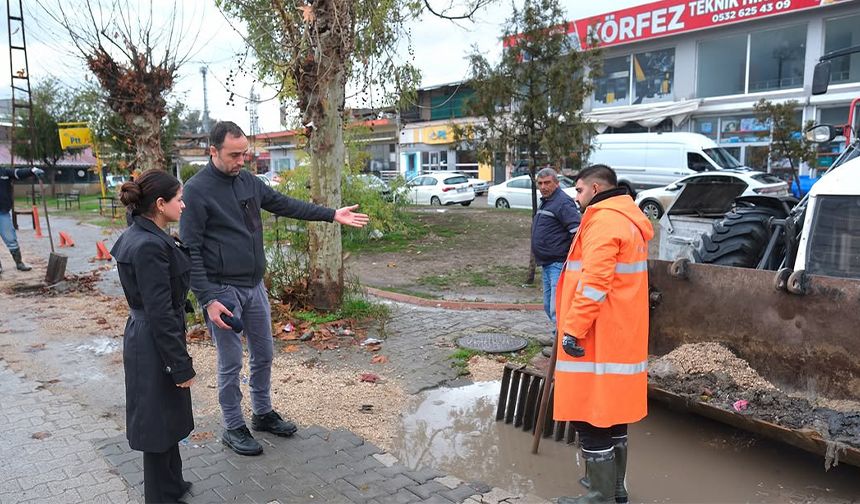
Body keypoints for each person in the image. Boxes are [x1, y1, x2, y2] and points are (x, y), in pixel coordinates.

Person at [180, 121, 369, 456]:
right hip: (222, 292)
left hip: (254, 286)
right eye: (234, 155)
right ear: (213, 151)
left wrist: (330, 214)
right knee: (230, 361)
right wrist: (207, 299)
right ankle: (233, 425)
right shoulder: (197, 190)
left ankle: (263, 414)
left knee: (264, 354)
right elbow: (190, 249)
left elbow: (285, 204)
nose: (241, 161)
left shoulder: (249, 182)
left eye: (244, 154)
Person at [553, 164, 653, 504]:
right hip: (619, 334)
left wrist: (573, 330)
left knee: (590, 413)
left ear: (595, 188)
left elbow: (593, 284)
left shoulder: (604, 221)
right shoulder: (627, 219)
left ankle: (599, 495)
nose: (576, 197)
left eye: (579, 190)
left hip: (596, 336)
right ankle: (615, 487)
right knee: (613, 413)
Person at [111, 169, 195, 503]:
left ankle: (173, 485)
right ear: (160, 204)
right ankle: (160, 496)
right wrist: (181, 365)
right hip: (153, 340)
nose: (184, 205)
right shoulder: (148, 245)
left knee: (167, 417)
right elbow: (160, 312)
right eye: (179, 199)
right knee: (158, 422)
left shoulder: (147, 234)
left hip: (151, 336)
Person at [530, 167, 580, 355]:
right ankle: (555, 335)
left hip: (558, 263)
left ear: (556, 183)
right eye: (540, 183)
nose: (543, 187)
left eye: (547, 183)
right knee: (548, 305)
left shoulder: (563, 203)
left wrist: (569, 258)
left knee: (557, 307)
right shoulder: (547, 201)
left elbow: (576, 231)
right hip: (547, 263)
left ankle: (561, 345)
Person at [0, 166, 44, 274]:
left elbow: (18, 173)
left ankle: (19, 263)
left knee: (10, 238)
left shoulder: (4, 172)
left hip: (3, 212)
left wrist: (32, 170)